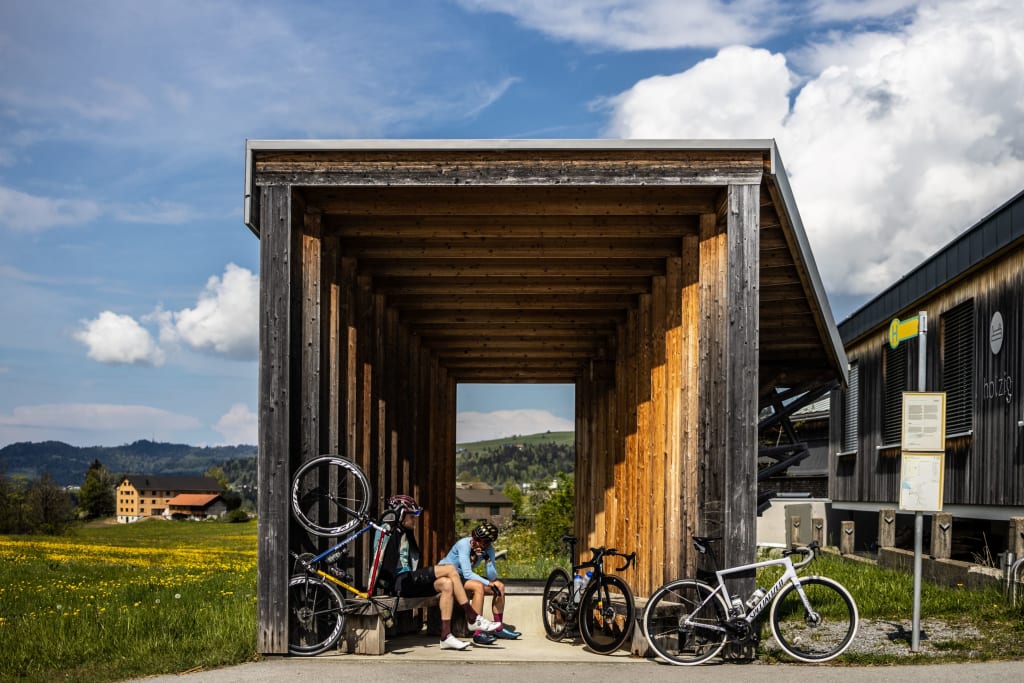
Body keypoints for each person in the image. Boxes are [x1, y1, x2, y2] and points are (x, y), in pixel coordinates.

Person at [375, 495, 500, 650]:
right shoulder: (388, 530)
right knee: (450, 569)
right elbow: (378, 559)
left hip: (409, 581)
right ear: (401, 515)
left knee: (447, 584)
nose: (415, 520)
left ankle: (446, 636)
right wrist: (373, 589)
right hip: (399, 581)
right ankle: (472, 617)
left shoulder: (405, 532)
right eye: (412, 516)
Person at [439, 521, 521, 644]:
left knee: (499, 586)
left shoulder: (489, 549)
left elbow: (492, 576)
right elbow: (467, 573)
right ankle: (478, 633)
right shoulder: (464, 544)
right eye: (474, 536)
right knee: (478, 586)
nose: (474, 540)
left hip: (462, 578)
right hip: (448, 576)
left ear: (488, 543)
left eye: (478, 539)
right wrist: (488, 583)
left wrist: (487, 559)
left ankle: (498, 628)